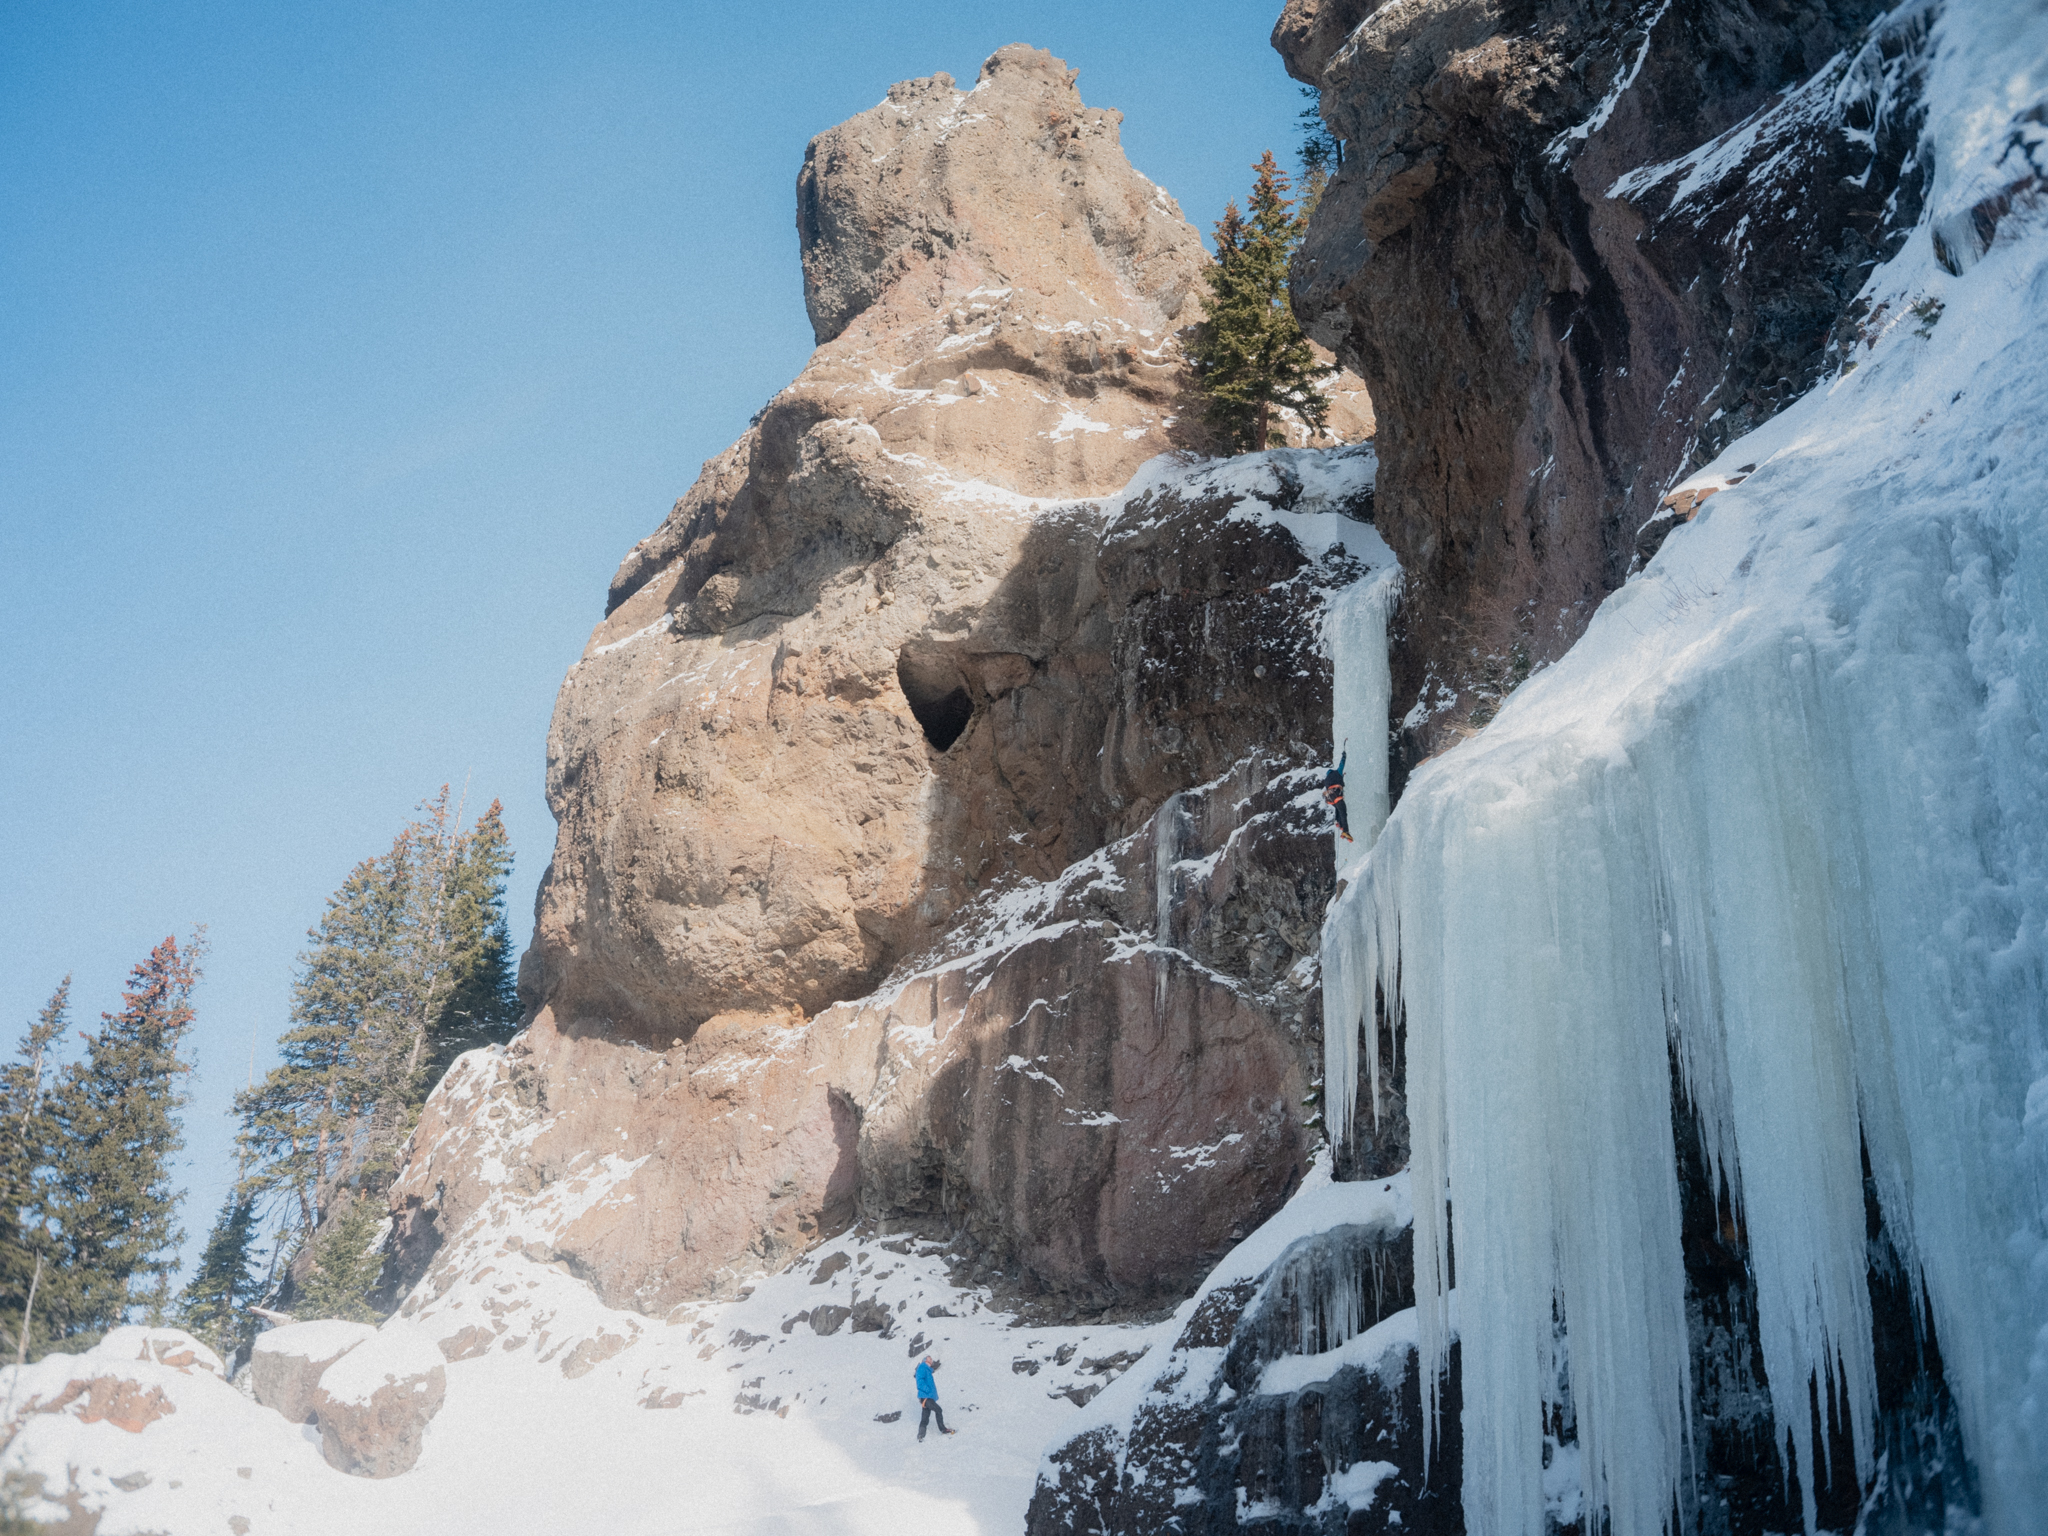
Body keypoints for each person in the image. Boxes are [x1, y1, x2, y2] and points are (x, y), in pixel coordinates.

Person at [915, 1354, 954, 1440]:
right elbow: (919, 1381)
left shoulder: (927, 1370)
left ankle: (921, 1435)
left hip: (926, 1397)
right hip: (926, 1396)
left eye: (931, 1359)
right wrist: (928, 1390)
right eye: (929, 1359)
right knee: (938, 1410)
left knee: (925, 1417)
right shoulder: (922, 1367)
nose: (931, 1360)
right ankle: (943, 1429)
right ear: (925, 1360)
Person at [1323, 746, 1353, 843]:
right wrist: (1344, 756)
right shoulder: (1337, 773)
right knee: (1343, 812)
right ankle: (1345, 831)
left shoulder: (1327, 779)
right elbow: (1341, 765)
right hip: (1336, 796)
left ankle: (1338, 822)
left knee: (1338, 808)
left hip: (1330, 798)